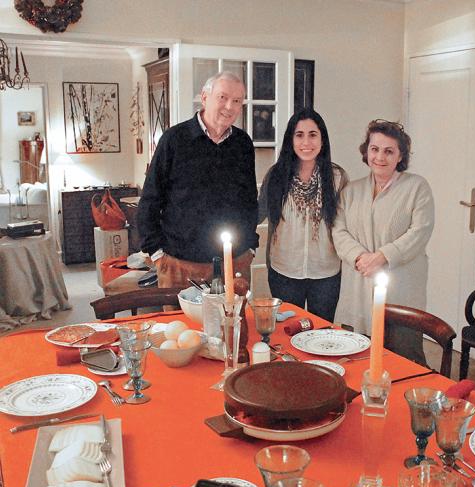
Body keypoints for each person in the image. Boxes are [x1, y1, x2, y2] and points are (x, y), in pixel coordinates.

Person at [137, 71, 258, 288]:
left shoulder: (243, 144)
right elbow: (150, 199)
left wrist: (251, 246)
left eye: (237, 101)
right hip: (179, 263)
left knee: (234, 322)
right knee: (179, 324)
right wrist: (156, 252)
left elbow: (249, 199)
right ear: (204, 97)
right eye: (223, 97)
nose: (229, 106)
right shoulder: (174, 140)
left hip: (235, 262)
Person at [332, 119, 434, 364]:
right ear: (366, 152)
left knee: (405, 359)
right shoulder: (351, 191)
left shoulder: (417, 187)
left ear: (400, 156)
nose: (380, 157)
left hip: (402, 289)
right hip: (358, 284)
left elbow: (420, 231)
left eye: (389, 151)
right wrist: (360, 257)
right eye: (375, 149)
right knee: (356, 357)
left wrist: (382, 257)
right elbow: (338, 230)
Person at [258, 109, 348, 321]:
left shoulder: (337, 177)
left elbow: (345, 223)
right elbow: (258, 212)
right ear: (291, 139)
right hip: (284, 270)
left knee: (321, 331)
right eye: (299, 135)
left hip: (326, 272)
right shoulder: (277, 175)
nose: (306, 142)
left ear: (322, 139)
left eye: (313, 134)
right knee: (287, 332)